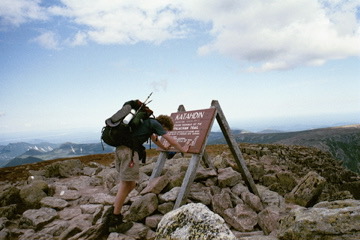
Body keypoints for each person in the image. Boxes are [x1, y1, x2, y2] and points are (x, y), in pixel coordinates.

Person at [106, 114, 190, 233]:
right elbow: (169, 139)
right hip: (128, 153)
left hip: (121, 151)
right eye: (165, 130)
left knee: (131, 185)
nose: (163, 132)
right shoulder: (155, 124)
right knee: (125, 185)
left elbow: (154, 139)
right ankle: (115, 220)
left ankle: (115, 210)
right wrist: (182, 149)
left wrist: (164, 147)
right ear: (163, 125)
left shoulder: (147, 123)